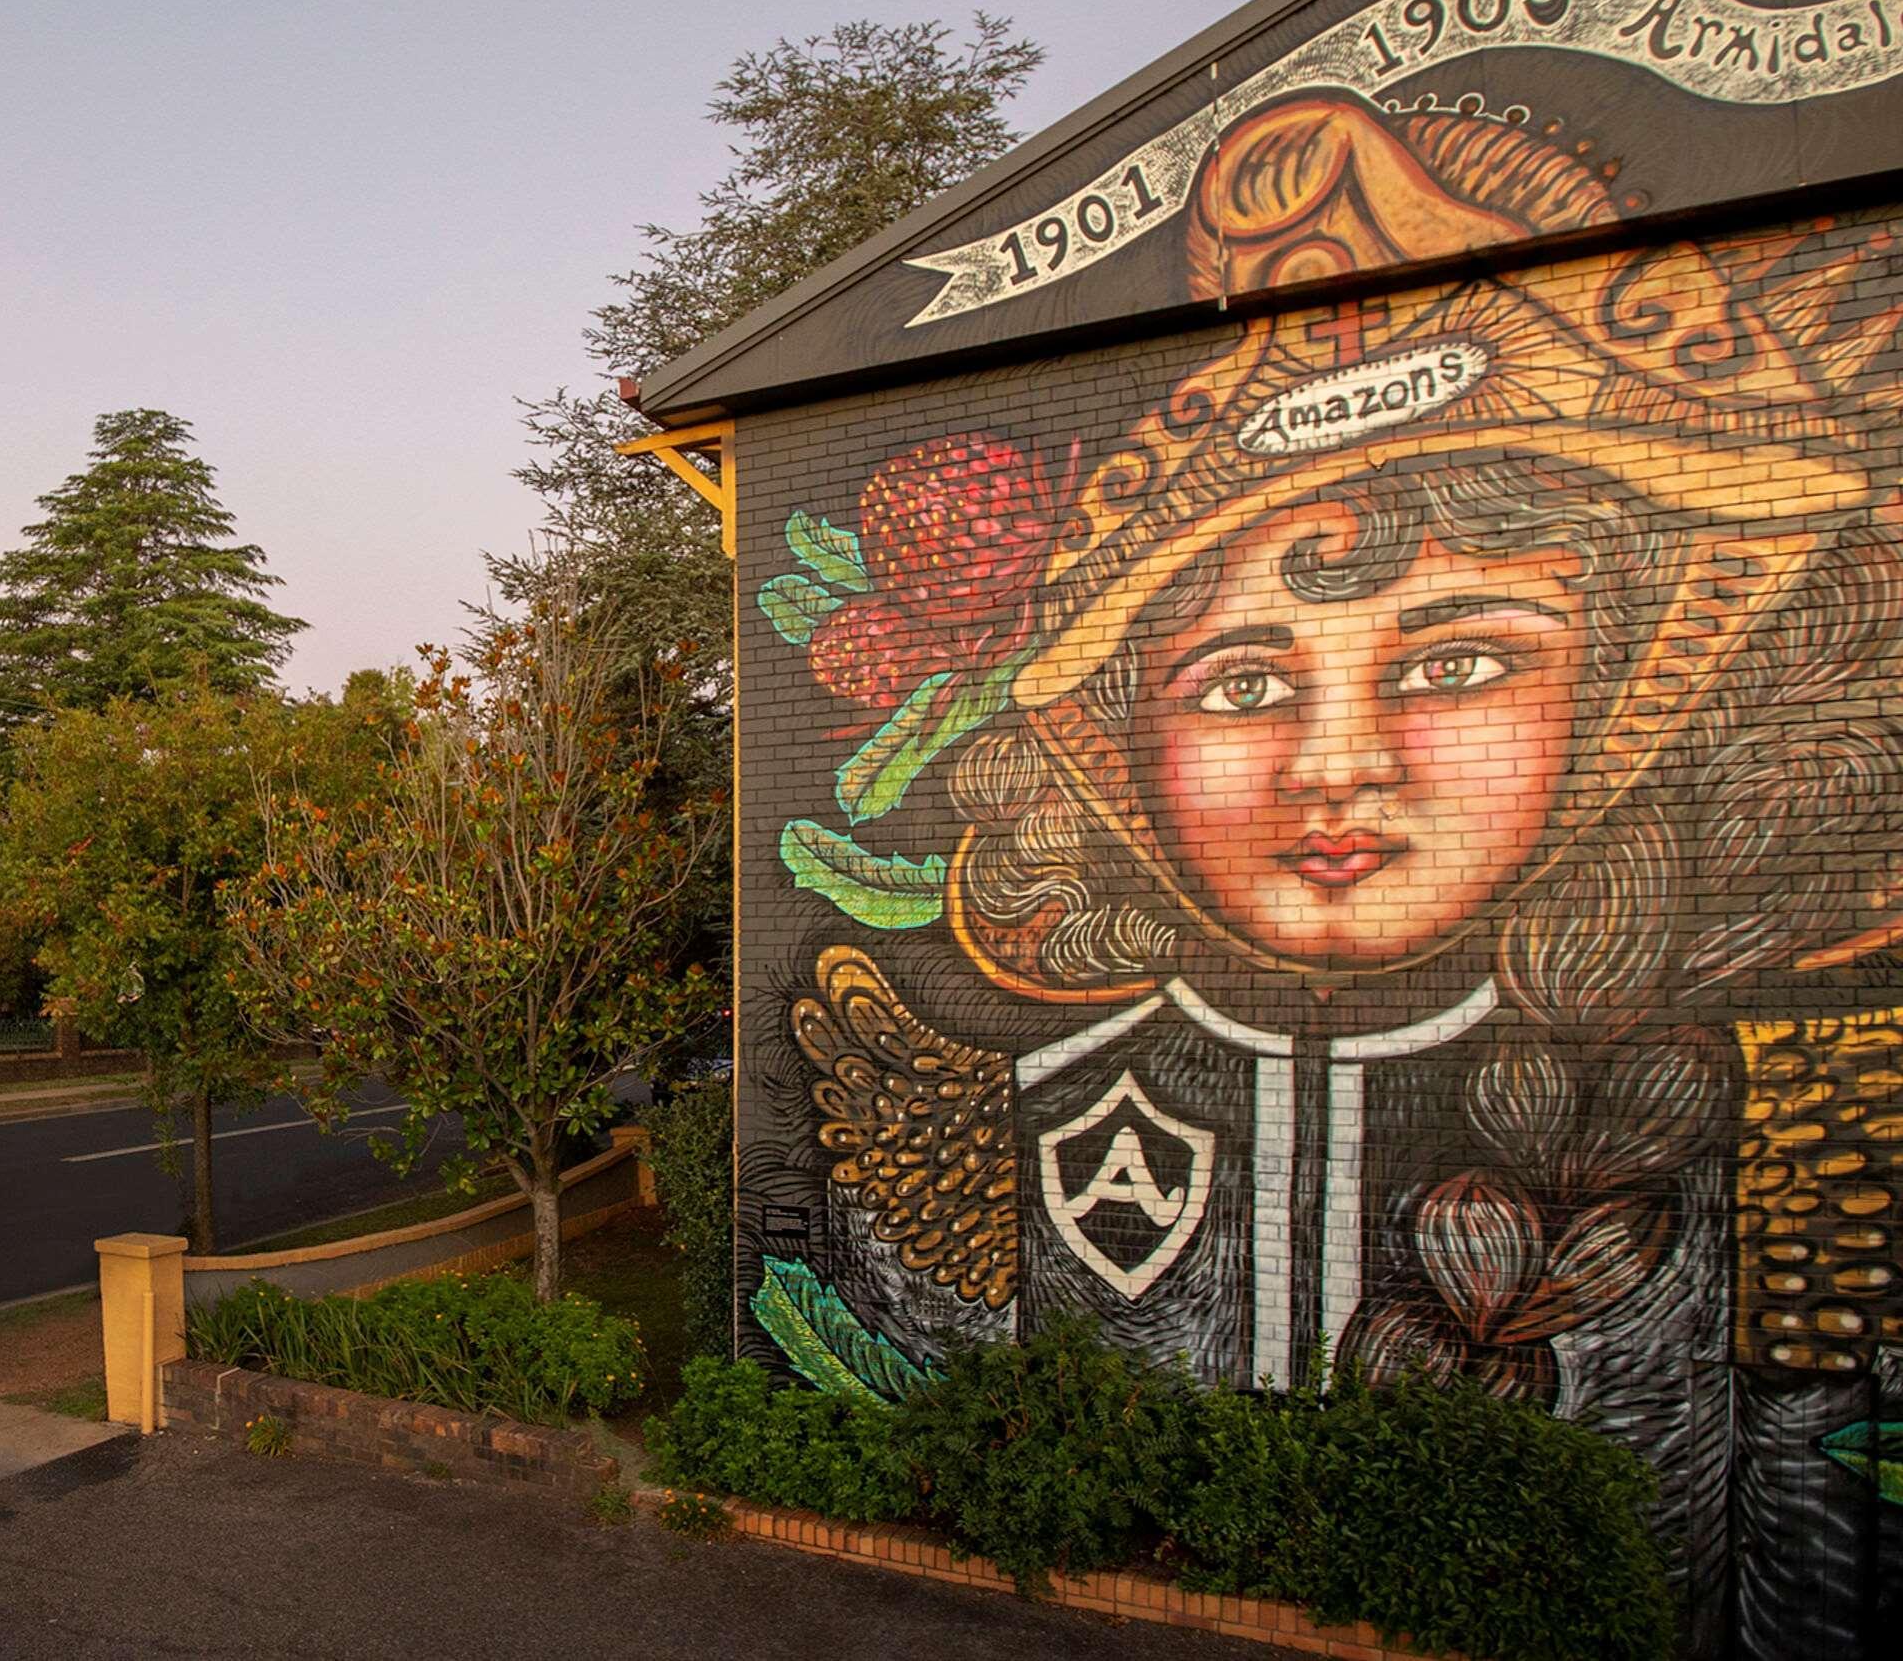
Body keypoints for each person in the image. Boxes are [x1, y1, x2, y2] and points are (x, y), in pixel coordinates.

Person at [779, 92, 1901, 1655]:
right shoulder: (1022, 1101)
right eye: (1240, 685)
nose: (1332, 764)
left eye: (1453, 663)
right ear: (1115, 751)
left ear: (1645, 685)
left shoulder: (1779, 1140)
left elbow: (1808, 1555)